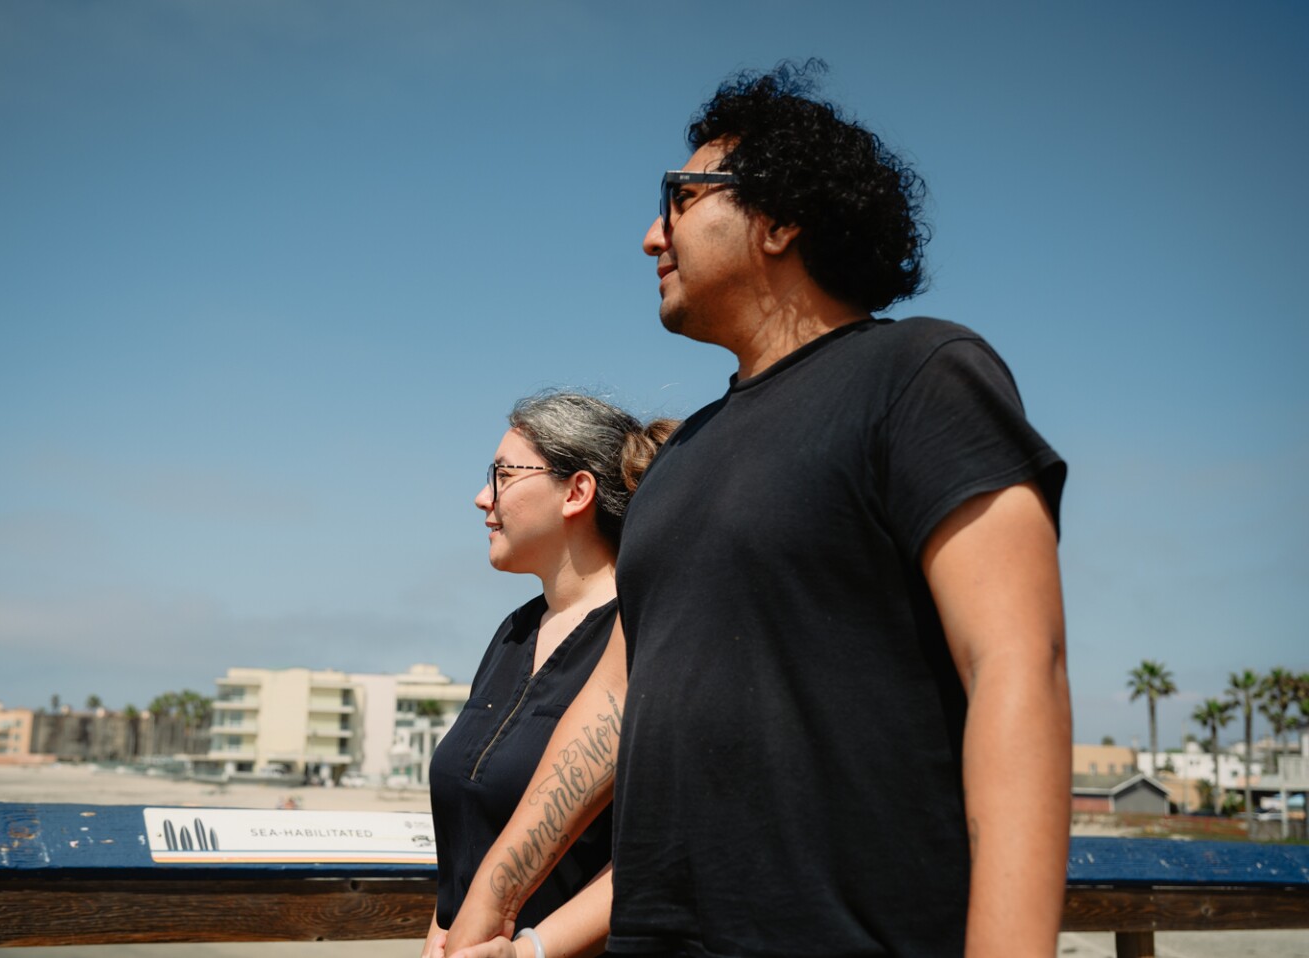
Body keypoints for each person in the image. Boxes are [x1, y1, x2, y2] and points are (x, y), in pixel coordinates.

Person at [446, 62, 1071, 958]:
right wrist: (495, 898)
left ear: (779, 220)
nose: (650, 238)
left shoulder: (922, 376)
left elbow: (1018, 664)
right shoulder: (677, 460)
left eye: (681, 199)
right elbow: (615, 700)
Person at [423, 391, 677, 958]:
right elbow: (464, 853)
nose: (481, 497)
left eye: (503, 475)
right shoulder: (514, 634)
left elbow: (663, 849)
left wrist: (531, 950)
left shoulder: (647, 630)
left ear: (577, 492)